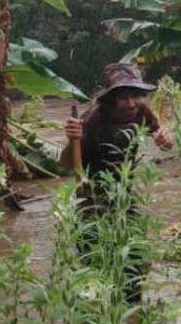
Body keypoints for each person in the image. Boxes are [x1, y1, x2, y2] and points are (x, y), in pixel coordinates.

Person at [61, 62, 173, 302]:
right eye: (124, 97)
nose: (131, 103)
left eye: (136, 95)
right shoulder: (93, 120)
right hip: (93, 197)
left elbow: (161, 136)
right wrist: (72, 140)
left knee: (136, 257)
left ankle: (132, 311)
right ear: (112, 99)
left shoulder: (141, 111)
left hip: (125, 192)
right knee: (95, 261)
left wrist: (166, 138)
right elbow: (67, 164)